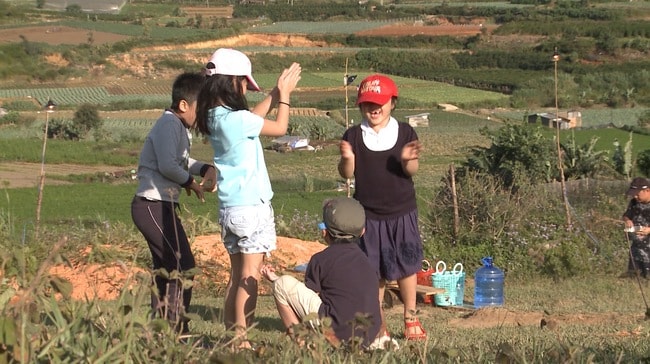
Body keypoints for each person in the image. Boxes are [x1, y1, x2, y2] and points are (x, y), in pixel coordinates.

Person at [195, 48, 301, 349]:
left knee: (235, 276)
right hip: (251, 209)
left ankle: (233, 338)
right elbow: (279, 127)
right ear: (233, 82)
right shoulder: (238, 120)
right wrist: (285, 96)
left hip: (230, 208)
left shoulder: (215, 117)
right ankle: (242, 342)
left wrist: (274, 91)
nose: (245, 89)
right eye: (244, 83)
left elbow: (252, 118)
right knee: (250, 278)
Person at [338, 74, 426, 341]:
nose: (374, 109)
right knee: (373, 272)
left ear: (393, 103)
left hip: (402, 212)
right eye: (367, 104)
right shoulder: (353, 135)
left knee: (407, 267)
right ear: (360, 106)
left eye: (380, 103)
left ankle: (411, 319)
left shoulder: (406, 133)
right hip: (369, 215)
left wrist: (408, 159)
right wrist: (347, 158)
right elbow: (347, 174)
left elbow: (412, 170)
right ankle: (378, 324)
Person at [131, 72, 217, 335]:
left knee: (167, 268)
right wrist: (190, 182)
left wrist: (204, 168)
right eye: (200, 109)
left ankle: (161, 330)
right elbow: (169, 165)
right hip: (152, 204)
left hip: (159, 206)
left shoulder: (176, 127)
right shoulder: (170, 125)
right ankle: (175, 328)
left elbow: (179, 161)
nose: (203, 116)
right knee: (182, 265)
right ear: (183, 106)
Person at [260, 197, 396, 350]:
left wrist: (276, 280)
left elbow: (308, 299)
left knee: (281, 285)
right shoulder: (368, 262)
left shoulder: (320, 260)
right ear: (363, 231)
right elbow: (375, 304)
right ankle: (380, 340)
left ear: (324, 232)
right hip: (367, 336)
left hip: (336, 333)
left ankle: (304, 344)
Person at [622, 177, 650, 278]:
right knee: (634, 275)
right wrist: (628, 221)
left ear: (647, 190)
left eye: (638, 194)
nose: (635, 197)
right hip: (637, 246)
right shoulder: (634, 203)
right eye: (634, 194)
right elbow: (626, 215)